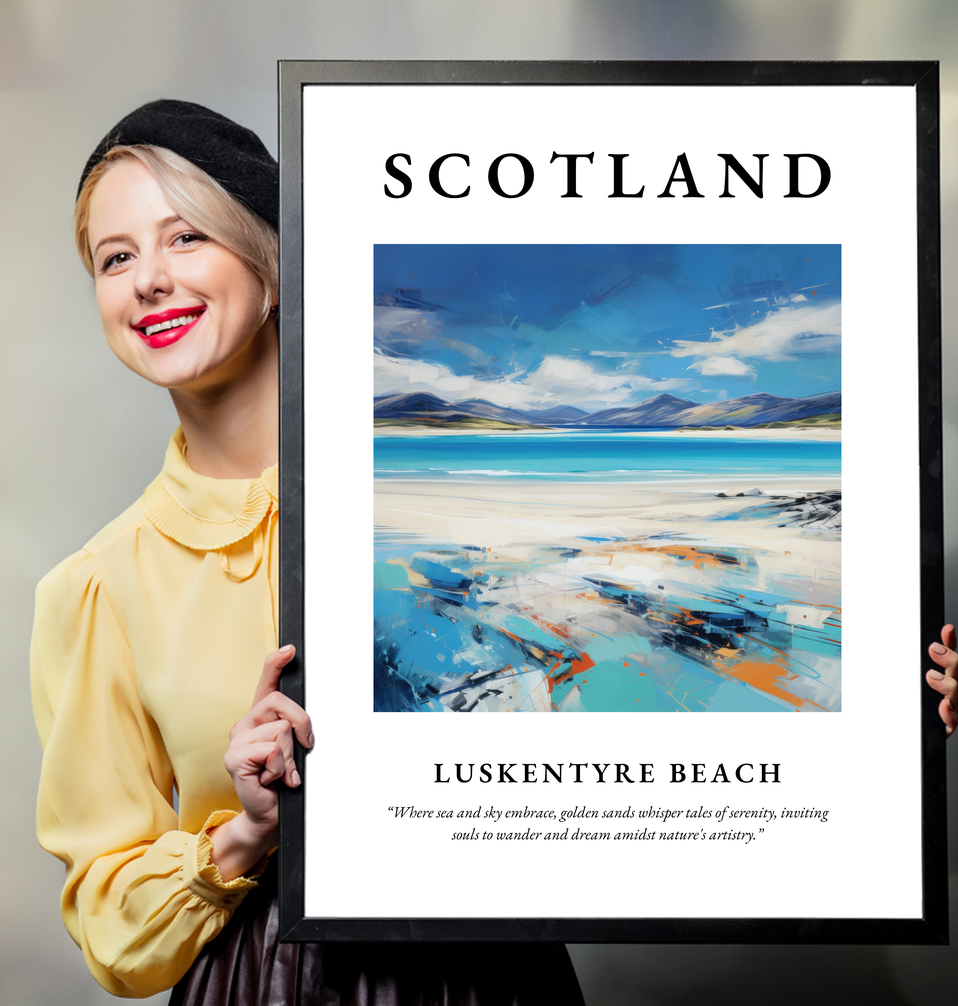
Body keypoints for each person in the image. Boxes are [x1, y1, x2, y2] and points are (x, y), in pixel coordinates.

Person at [30, 100, 585, 1004]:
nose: (148, 281)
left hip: (492, 972)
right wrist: (245, 832)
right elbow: (110, 925)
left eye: (186, 239)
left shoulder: (445, 501)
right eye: (116, 257)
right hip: (263, 981)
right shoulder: (97, 587)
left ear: (273, 264)